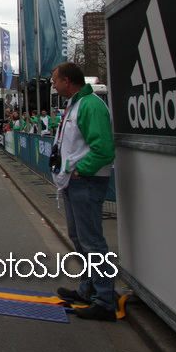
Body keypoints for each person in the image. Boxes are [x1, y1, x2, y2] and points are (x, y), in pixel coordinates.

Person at [50, 62, 117, 321]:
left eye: (55, 81)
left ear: (67, 81)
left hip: (86, 182)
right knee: (79, 238)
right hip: (74, 181)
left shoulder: (90, 105)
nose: (54, 86)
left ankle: (105, 300)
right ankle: (88, 289)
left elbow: (104, 149)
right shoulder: (76, 104)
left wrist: (82, 170)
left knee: (92, 242)